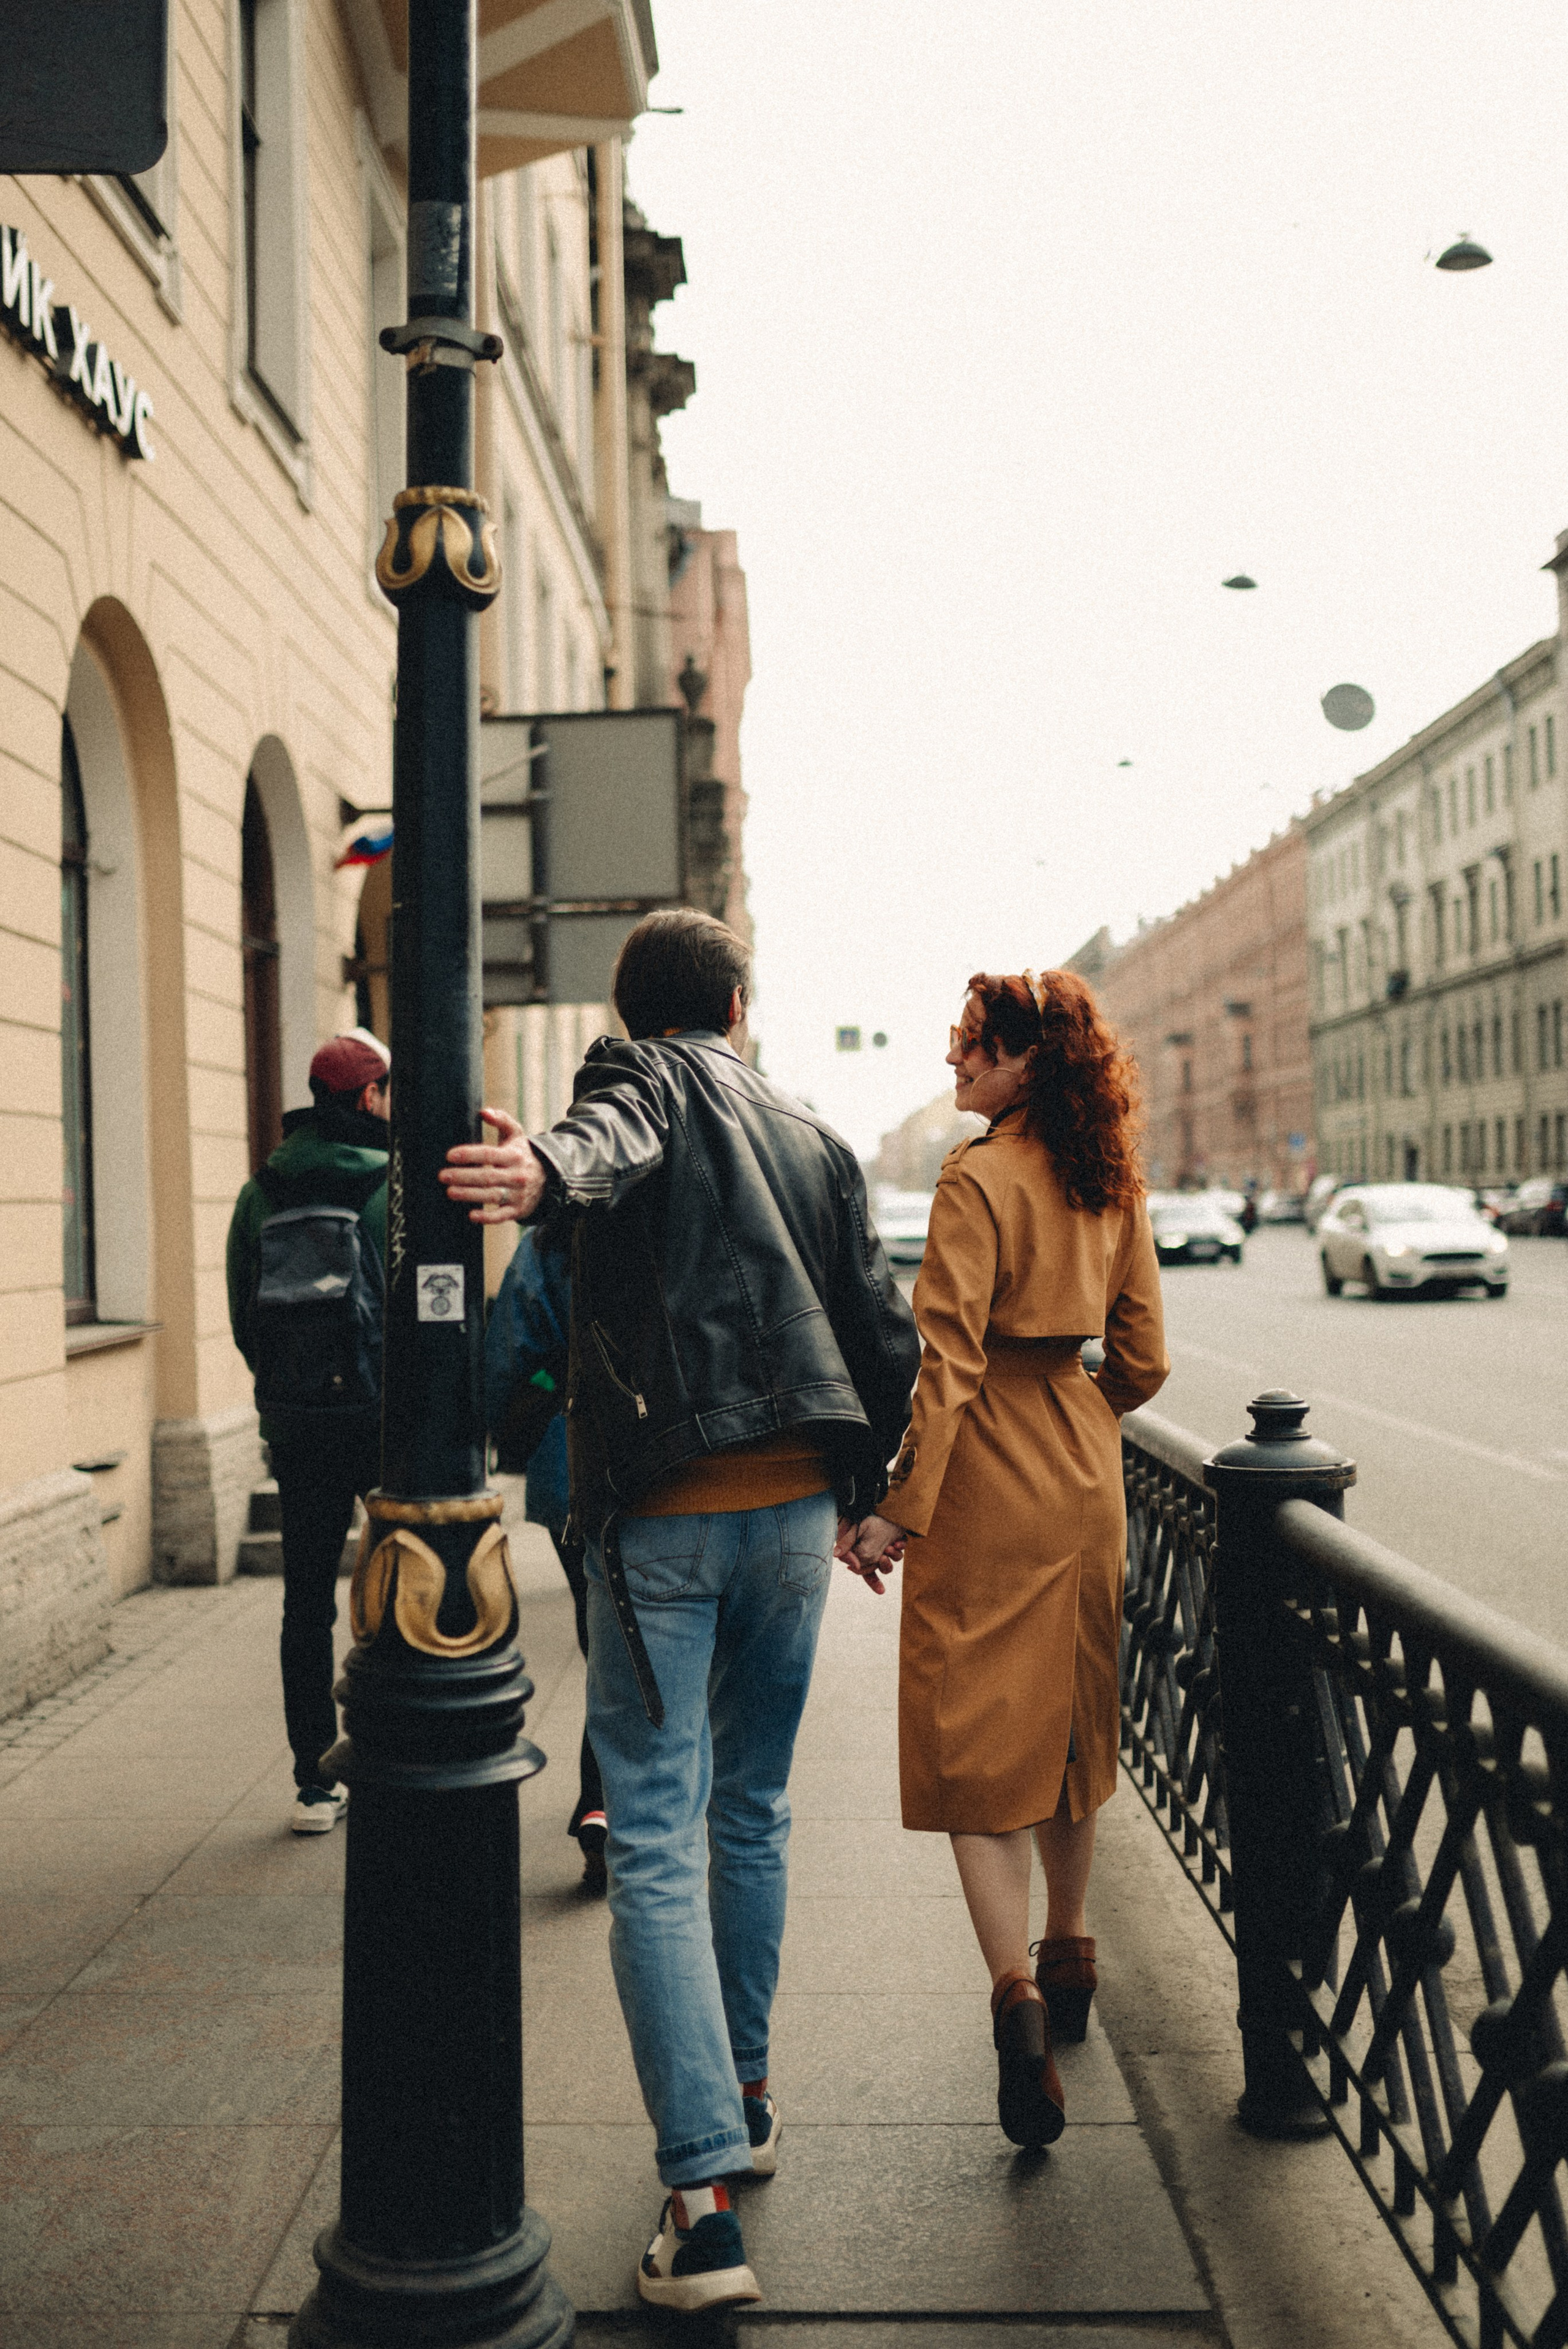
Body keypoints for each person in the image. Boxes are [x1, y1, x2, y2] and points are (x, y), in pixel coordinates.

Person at [439, 909, 919, 2314]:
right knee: (751, 1811)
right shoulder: (812, 1130)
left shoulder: (637, 1075)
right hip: (790, 1515)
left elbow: (607, 1143)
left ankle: (700, 2204)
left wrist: (535, 1164)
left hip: (659, 1504)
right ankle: (749, 2097)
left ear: (635, 1005)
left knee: (650, 1838)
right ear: (735, 997)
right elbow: (881, 1334)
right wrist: (874, 1492)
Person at [839, 969, 1167, 2150]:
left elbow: (949, 1364)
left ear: (1028, 1059)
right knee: (1074, 1724)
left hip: (985, 1480)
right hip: (1084, 1469)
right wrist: (1080, 1409)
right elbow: (1143, 1358)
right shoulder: (1109, 1177)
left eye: (973, 1047)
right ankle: (1069, 1947)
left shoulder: (977, 1179)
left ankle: (1014, 1995)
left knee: (976, 1740)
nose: (954, 1063)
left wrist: (895, 1508)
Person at [226, 1029, 390, 1834]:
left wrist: (284, 1386)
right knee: (400, 1583)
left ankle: (313, 1781)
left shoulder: (263, 1188)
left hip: (297, 1424)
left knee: (305, 1601)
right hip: (374, 1415)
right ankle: (392, 1745)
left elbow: (241, 1311)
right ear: (368, 1097)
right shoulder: (386, 1184)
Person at [485, 1222, 608, 1889]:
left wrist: (518, 1433)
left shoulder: (550, 1242)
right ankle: (612, 1802)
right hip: (672, 1472)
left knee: (603, 1644)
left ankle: (601, 1804)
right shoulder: (690, 1208)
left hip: (571, 1470)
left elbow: (507, 1355)